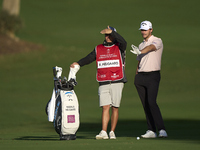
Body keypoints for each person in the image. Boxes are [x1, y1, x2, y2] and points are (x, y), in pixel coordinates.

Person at [70, 26, 127, 139]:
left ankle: (112, 132)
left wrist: (112, 32)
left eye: (110, 35)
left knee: (115, 107)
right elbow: (89, 58)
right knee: (105, 107)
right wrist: (78, 63)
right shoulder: (98, 48)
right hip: (103, 81)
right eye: (106, 35)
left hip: (117, 80)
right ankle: (104, 131)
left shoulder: (120, 47)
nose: (108, 37)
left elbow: (124, 41)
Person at [130, 20, 167, 138]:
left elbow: (151, 48)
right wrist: (136, 75)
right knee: (145, 104)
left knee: (152, 102)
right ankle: (151, 130)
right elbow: (140, 61)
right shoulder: (140, 45)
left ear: (151, 30)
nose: (143, 32)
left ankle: (162, 129)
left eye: (145, 30)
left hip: (153, 75)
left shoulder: (157, 40)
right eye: (142, 30)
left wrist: (140, 51)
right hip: (141, 77)